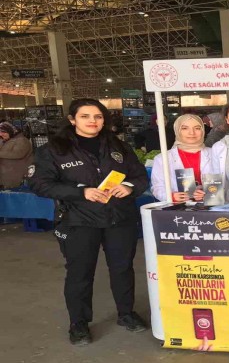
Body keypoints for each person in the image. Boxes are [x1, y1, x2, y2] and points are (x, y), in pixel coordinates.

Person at [29, 98, 149, 345]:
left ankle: (126, 313)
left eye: (98, 116)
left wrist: (129, 187)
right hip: (79, 220)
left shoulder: (118, 145)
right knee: (80, 273)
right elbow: (40, 184)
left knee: (122, 268)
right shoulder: (54, 149)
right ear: (72, 120)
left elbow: (139, 176)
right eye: (85, 116)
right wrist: (80, 192)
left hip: (119, 218)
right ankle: (79, 323)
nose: (92, 121)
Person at [150, 114, 218, 202]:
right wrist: (171, 196)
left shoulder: (216, 154)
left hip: (211, 206)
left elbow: (225, 183)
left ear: (203, 130)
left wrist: (210, 193)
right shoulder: (162, 159)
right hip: (179, 208)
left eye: (197, 128)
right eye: (185, 128)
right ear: (177, 130)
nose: (191, 133)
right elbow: (157, 187)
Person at [0, 122, 33, 189]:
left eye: (4, 132)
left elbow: (18, 154)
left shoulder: (22, 140)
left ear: (10, 131)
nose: (1, 134)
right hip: (5, 175)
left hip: (16, 176)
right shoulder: (5, 140)